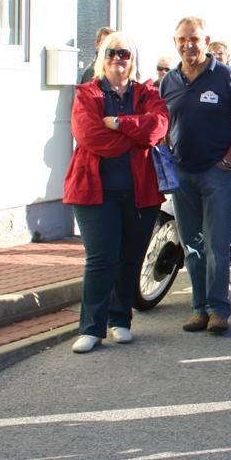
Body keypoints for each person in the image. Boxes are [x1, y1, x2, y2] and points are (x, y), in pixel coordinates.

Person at [65, 32, 169, 353]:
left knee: (129, 259)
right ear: (101, 57)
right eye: (111, 53)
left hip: (140, 193)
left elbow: (157, 127)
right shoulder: (87, 94)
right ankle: (91, 328)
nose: (117, 59)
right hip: (94, 193)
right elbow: (90, 135)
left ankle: (120, 321)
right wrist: (134, 133)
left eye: (124, 54)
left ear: (132, 59)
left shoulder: (147, 92)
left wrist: (118, 122)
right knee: (101, 259)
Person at [158, 16, 231, 334]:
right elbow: (162, 124)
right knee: (192, 246)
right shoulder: (169, 81)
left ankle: (218, 310)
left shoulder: (227, 77)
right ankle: (198, 309)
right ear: (175, 42)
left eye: (194, 39)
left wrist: (228, 161)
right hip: (182, 175)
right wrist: (166, 155)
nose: (188, 45)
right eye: (182, 39)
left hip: (216, 175)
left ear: (205, 40)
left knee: (216, 244)